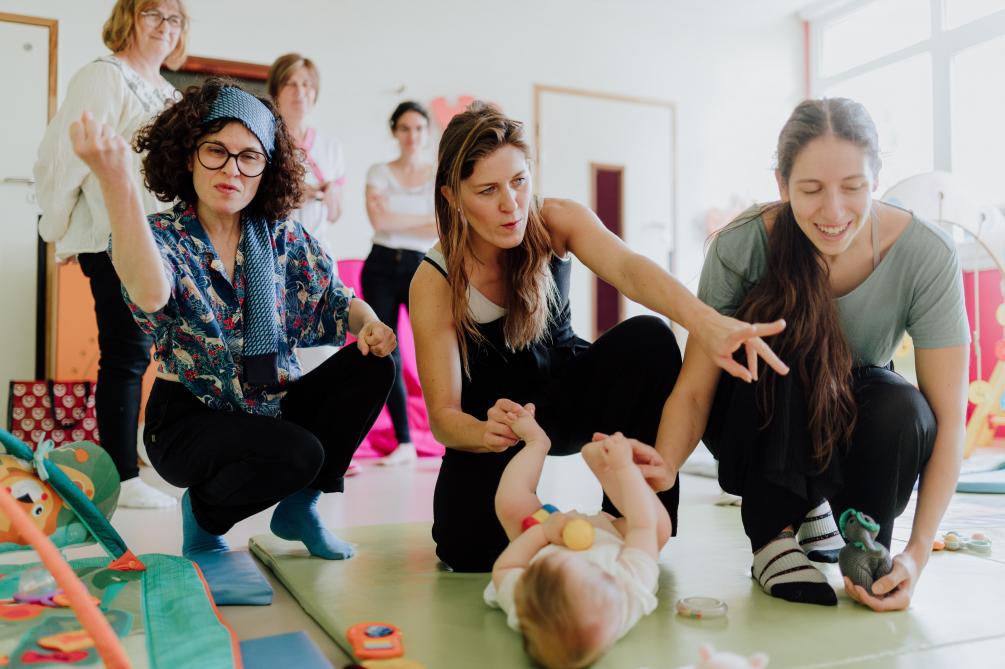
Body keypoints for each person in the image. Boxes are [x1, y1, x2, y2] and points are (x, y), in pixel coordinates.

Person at [409, 102, 788, 572]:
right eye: (488, 190)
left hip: (568, 393)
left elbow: (628, 268)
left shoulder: (556, 219)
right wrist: (484, 434)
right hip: (503, 424)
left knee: (648, 338)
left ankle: (634, 521)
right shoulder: (435, 279)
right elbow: (444, 417)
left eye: (519, 181)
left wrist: (705, 321)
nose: (511, 204)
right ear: (452, 196)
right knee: (467, 551)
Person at [643, 98, 969, 610]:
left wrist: (916, 554)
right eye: (811, 190)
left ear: (877, 178)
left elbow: (948, 421)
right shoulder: (744, 244)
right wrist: (662, 470)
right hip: (757, 414)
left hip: (849, 418)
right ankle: (774, 534)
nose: (834, 212)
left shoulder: (927, 254)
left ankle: (843, 525)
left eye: (853, 188)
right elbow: (695, 388)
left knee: (901, 403)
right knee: (780, 339)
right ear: (782, 184)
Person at [68, 79, 397, 569]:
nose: (232, 170)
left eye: (249, 157)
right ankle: (202, 522)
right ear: (187, 155)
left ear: (266, 168)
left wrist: (369, 323)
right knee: (298, 453)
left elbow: (337, 299)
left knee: (374, 366)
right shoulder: (161, 236)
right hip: (187, 419)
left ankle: (299, 511)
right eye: (216, 152)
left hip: (268, 404)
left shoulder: (282, 236)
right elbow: (151, 293)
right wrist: (116, 184)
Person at [34, 0, 190, 509]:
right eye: (153, 14)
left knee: (144, 355)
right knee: (125, 356)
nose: (164, 27)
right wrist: (55, 228)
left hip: (149, 241)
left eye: (174, 19)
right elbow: (63, 155)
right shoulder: (104, 76)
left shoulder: (167, 93)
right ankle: (120, 479)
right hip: (109, 237)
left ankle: (132, 459)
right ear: (128, 18)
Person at [486, 405, 670, 669]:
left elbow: (506, 567)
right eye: (592, 568)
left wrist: (544, 533)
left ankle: (536, 443)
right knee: (658, 529)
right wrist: (624, 468)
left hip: (547, 534)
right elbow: (643, 526)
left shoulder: (526, 606)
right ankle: (606, 469)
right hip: (612, 535)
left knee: (510, 505)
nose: (578, 555)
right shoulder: (628, 593)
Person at [362, 101, 438, 466]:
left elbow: (441, 226)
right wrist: (419, 218)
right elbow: (378, 222)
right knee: (388, 353)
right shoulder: (379, 170)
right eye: (405, 128)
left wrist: (395, 217)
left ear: (427, 133)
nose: (412, 136)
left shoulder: (437, 174)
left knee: (434, 349)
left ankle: (448, 430)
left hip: (421, 268)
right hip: (379, 267)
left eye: (419, 128)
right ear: (395, 131)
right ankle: (404, 442)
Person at [267, 53, 347, 373]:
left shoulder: (330, 146)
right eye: (291, 83)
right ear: (276, 89)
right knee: (278, 348)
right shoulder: (266, 137)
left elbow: (336, 212)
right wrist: (299, 195)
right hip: (274, 254)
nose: (300, 91)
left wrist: (328, 195)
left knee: (322, 348)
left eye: (307, 84)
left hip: (319, 254)